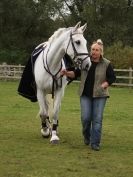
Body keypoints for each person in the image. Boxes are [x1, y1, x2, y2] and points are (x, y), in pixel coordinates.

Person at [60, 39, 116, 151]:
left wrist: (105, 84)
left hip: (100, 95)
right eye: (93, 50)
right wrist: (66, 72)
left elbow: (112, 77)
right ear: (90, 51)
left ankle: (95, 143)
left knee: (97, 119)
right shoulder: (85, 62)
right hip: (85, 95)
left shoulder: (106, 63)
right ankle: (87, 135)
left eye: (97, 50)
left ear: (101, 52)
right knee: (85, 118)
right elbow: (75, 73)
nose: (94, 52)